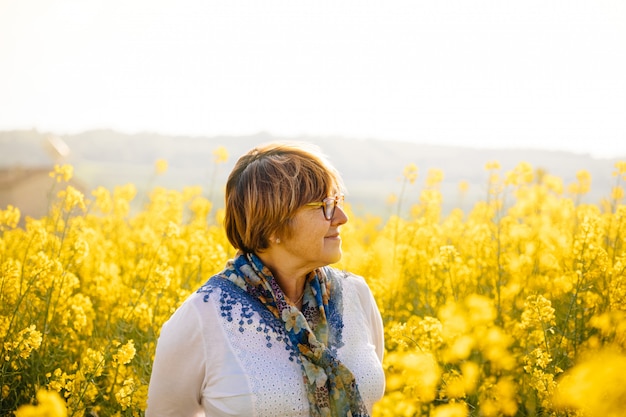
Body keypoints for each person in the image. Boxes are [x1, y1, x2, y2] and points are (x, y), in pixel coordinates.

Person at [146, 142, 385, 417]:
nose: (341, 218)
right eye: (324, 206)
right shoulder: (202, 317)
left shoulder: (355, 295)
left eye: (338, 201)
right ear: (273, 226)